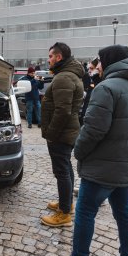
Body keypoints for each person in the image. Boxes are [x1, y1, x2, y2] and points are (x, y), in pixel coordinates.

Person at [49, 45, 128, 256]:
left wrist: (79, 152)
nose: (98, 66)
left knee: (85, 213)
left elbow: (93, 130)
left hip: (102, 168)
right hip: (126, 166)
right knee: (125, 215)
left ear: (109, 62)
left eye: (100, 61)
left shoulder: (106, 88)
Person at [40, 42, 84, 227]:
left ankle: (64, 214)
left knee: (62, 172)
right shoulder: (68, 74)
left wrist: (51, 133)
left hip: (61, 134)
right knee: (66, 169)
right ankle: (67, 203)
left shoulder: (63, 77)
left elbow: (63, 111)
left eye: (50, 56)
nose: (48, 60)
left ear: (59, 57)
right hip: (67, 131)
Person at [79, 57, 101, 126]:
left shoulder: (100, 85)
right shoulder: (91, 81)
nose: (89, 71)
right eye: (88, 68)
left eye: (91, 68)